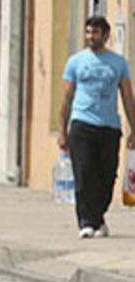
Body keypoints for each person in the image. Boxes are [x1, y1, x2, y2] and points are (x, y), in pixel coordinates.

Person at [57, 15, 135, 238]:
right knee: (84, 174)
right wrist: (62, 131)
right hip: (82, 124)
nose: (91, 37)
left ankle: (98, 216)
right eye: (88, 32)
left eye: (95, 33)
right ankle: (86, 221)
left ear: (106, 35)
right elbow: (66, 98)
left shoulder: (118, 63)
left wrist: (134, 128)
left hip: (109, 127)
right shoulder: (76, 62)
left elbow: (128, 96)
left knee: (107, 175)